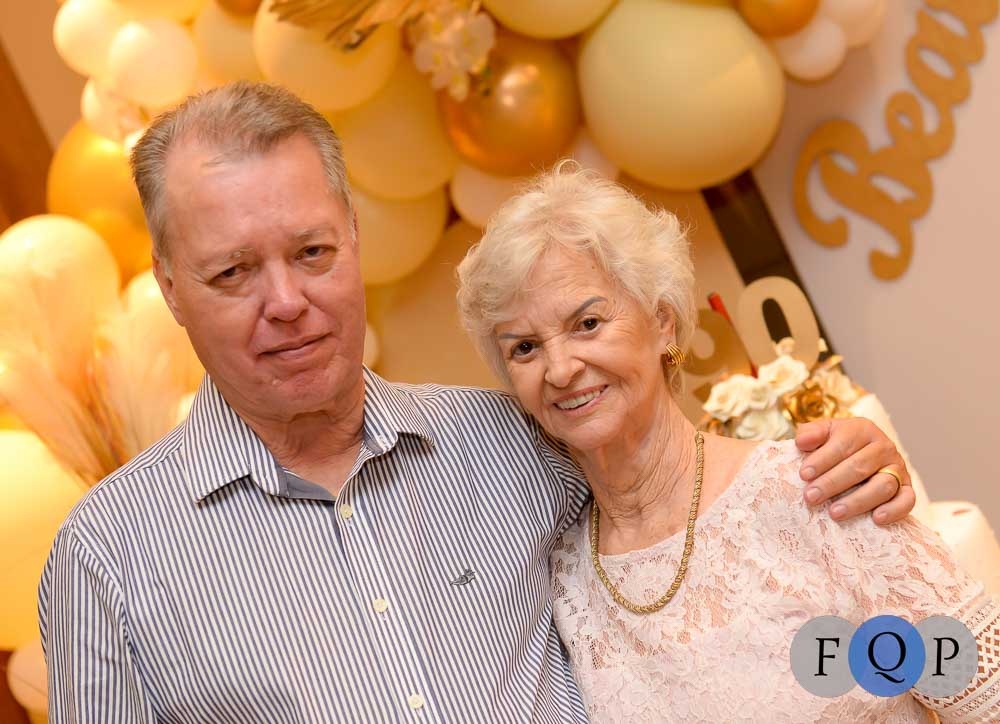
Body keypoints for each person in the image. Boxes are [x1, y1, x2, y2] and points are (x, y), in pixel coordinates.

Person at [40, 82, 914, 723]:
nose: (287, 302)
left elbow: (677, 500)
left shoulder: (515, 441)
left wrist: (835, 467)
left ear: (353, 238)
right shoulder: (109, 559)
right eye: (233, 271)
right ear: (170, 286)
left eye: (312, 252)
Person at [455, 163, 1000, 722]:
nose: (560, 369)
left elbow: (985, 697)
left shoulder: (815, 493)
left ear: (662, 322)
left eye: (587, 323)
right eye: (524, 348)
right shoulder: (560, 577)